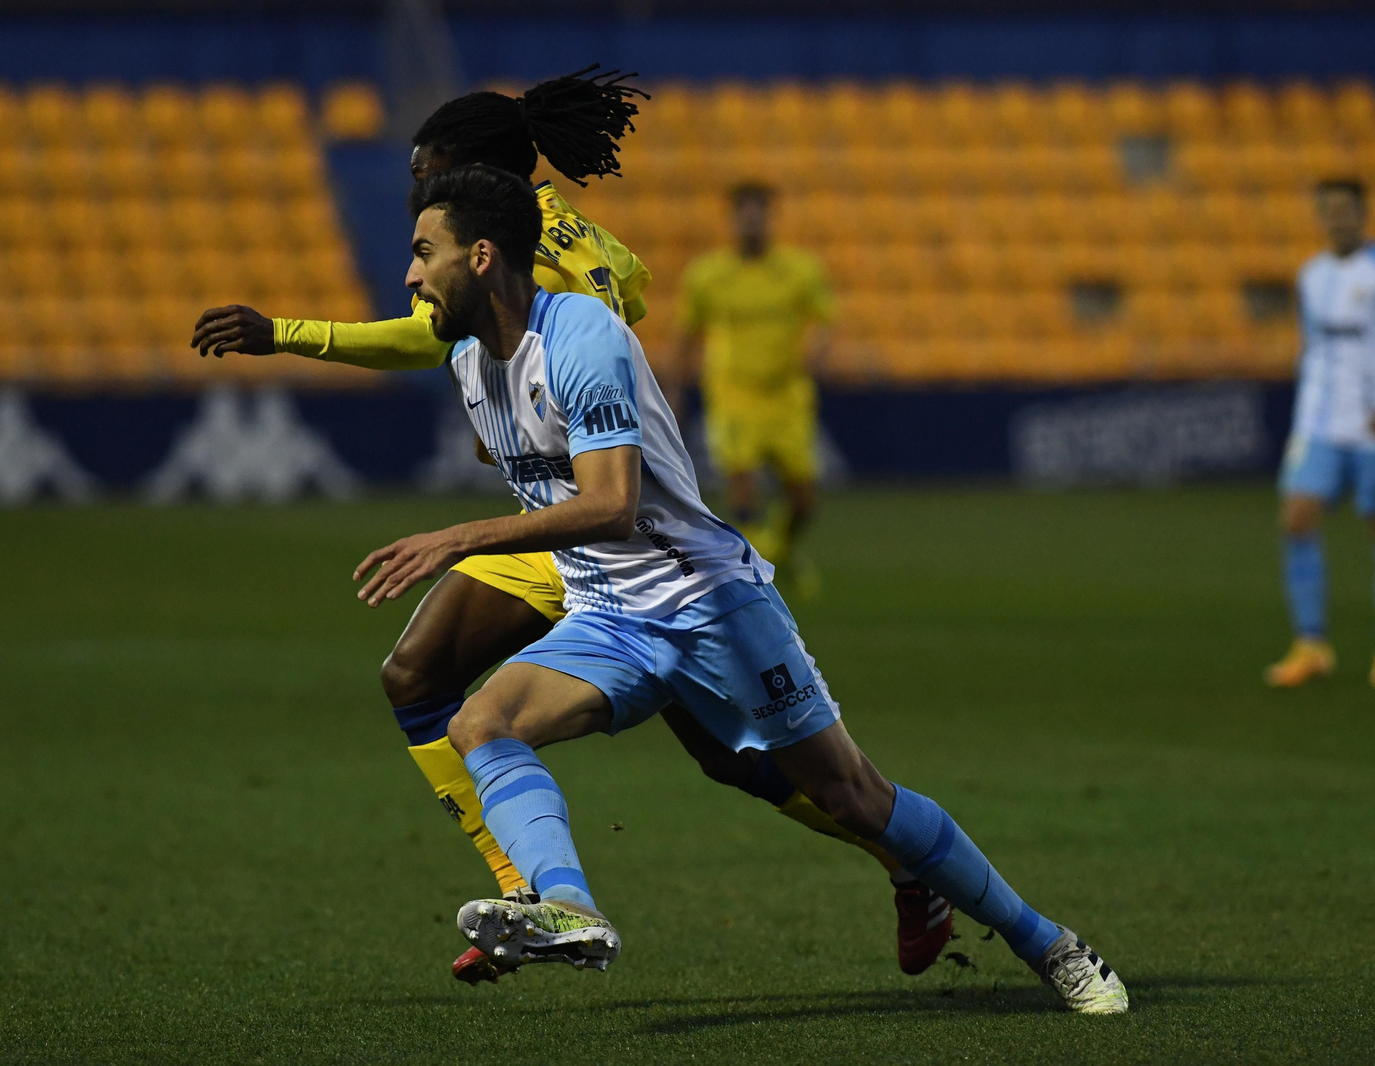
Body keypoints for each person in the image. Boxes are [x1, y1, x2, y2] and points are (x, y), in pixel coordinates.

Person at [189, 69, 950, 984]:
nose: (418, 190)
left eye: (432, 171)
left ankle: (909, 858)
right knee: (421, 675)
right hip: (566, 523)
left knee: (745, 760)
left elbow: (435, 336)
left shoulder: (515, 248)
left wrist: (289, 333)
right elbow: (617, 297)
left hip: (604, 538)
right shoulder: (578, 236)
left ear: (476, 178)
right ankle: (526, 886)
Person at [354, 164, 1128, 1014]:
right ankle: (568, 906)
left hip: (707, 603)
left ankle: (1049, 944)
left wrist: (458, 537)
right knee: (482, 723)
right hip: (608, 618)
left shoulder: (582, 337)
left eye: (425, 252)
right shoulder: (469, 360)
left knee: (853, 795)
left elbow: (613, 505)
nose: (409, 274)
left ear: (482, 256)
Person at [676, 183, 832, 582]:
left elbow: (824, 321)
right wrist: (676, 391)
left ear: (768, 218)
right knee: (743, 487)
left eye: (758, 214)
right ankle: (753, 573)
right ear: (733, 221)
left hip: (786, 396)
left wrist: (816, 351)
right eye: (743, 215)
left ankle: (774, 552)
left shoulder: (799, 270)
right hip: (732, 394)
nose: (751, 222)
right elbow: (688, 335)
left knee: (804, 499)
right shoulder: (708, 275)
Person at [1266, 178, 1375, 687]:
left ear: (1363, 213)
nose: (1339, 218)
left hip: (1372, 425)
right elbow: (1311, 345)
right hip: (1320, 420)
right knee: (1296, 520)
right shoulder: (1310, 275)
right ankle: (1311, 643)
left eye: (1347, 209)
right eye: (1329, 210)